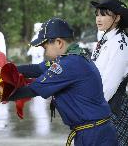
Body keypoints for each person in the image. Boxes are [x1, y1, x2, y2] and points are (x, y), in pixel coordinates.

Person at [7, 18, 118, 146]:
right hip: (93, 131)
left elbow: (32, 89)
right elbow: (36, 69)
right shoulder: (72, 57)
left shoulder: (70, 63)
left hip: (94, 135)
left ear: (59, 42)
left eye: (45, 47)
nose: (45, 52)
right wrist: (1, 71)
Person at [90, 0, 128, 146]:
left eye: (104, 15)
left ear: (117, 18)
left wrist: (91, 109)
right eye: (97, 14)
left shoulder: (120, 44)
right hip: (102, 103)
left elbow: (110, 85)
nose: (98, 19)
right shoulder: (106, 38)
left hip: (113, 106)